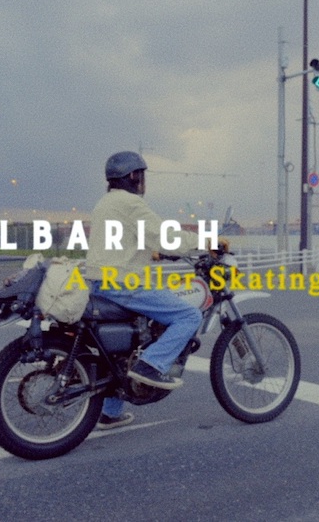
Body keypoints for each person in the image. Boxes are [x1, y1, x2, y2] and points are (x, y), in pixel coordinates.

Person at [87, 151, 204, 430]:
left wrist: (154, 254)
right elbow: (166, 236)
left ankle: (110, 413)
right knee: (189, 316)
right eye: (142, 175)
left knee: (120, 351)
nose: (143, 181)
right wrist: (206, 242)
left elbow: (121, 242)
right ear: (133, 176)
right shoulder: (131, 203)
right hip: (123, 283)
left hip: (101, 282)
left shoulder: (105, 203)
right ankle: (150, 365)